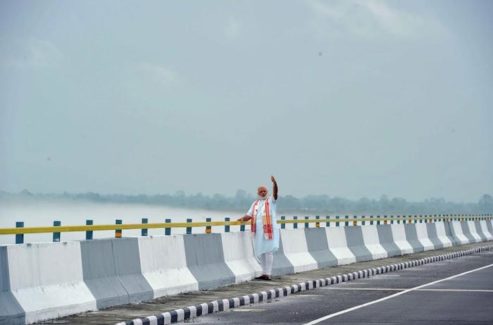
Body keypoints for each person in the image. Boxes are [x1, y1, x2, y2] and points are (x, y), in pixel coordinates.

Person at [238, 176, 279, 280]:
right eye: (261, 191)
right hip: (258, 231)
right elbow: (249, 215)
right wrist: (239, 220)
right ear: (258, 193)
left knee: (268, 250)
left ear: (267, 192)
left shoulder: (271, 201)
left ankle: (268, 273)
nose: (263, 193)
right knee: (261, 251)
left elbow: (275, 193)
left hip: (269, 230)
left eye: (264, 191)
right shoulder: (255, 204)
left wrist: (274, 183)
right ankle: (264, 273)